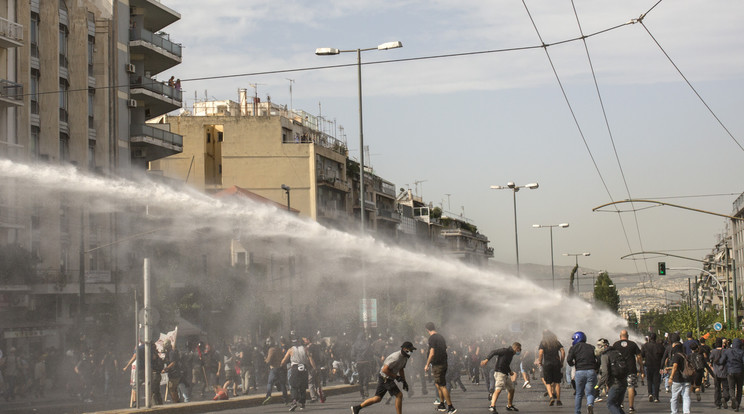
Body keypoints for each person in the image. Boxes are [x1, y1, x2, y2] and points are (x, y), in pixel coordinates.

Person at [351, 341, 416, 414]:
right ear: (405, 349)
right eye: (410, 350)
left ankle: (357, 408)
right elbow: (384, 370)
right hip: (385, 378)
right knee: (399, 395)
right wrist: (396, 377)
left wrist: (404, 381)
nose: (411, 352)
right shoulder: (396, 357)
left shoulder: (404, 358)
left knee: (377, 398)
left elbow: (401, 369)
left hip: (386, 378)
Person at [425, 322, 457, 413]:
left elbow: (432, 352)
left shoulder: (432, 338)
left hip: (437, 364)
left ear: (427, 329)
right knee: (438, 384)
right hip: (443, 363)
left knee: (442, 385)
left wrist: (427, 364)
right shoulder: (441, 337)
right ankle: (441, 404)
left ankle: (450, 407)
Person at [481, 341, 521, 413]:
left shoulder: (511, 354)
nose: (520, 351)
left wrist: (510, 371)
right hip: (499, 373)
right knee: (498, 389)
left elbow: (505, 364)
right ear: (516, 348)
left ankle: (509, 405)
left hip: (505, 374)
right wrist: (486, 360)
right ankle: (492, 406)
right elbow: (493, 352)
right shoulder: (505, 351)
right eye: (520, 349)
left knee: (511, 389)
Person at [281, 336, 316, 411]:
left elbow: (284, 360)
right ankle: (302, 403)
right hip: (304, 368)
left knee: (293, 385)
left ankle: (294, 401)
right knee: (302, 386)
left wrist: (281, 365)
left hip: (295, 368)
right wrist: (314, 368)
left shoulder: (291, 350)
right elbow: (310, 358)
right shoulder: (305, 348)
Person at [567, 331, 597, 414]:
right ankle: (590, 404)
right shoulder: (591, 347)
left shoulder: (574, 348)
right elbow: (598, 358)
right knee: (590, 392)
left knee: (579, 394)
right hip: (591, 370)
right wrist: (596, 367)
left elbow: (569, 359)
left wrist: (573, 365)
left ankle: (577, 411)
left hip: (580, 371)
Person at [612, 329, 642, 413]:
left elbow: (612, 356)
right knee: (631, 387)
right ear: (628, 336)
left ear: (620, 336)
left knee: (620, 386)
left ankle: (620, 404)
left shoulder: (616, 344)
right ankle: (631, 407)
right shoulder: (633, 344)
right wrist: (641, 367)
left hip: (619, 370)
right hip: (631, 369)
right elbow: (639, 356)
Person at [596, 338, 626, 414]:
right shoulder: (617, 353)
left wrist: (597, 386)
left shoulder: (605, 356)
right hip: (623, 382)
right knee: (617, 405)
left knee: (610, 404)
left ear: (605, 346)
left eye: (599, 345)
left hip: (614, 384)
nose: (598, 348)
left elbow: (605, 373)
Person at [537, 330, 565, 406]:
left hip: (547, 363)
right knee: (557, 382)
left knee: (548, 382)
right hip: (556, 363)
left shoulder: (543, 342)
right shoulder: (556, 342)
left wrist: (540, 361)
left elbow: (541, 352)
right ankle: (558, 400)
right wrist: (562, 361)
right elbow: (563, 351)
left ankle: (551, 397)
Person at [262, 337, 288, 405]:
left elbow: (269, 360)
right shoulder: (279, 349)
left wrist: (265, 359)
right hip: (281, 368)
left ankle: (268, 395)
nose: (267, 343)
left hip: (274, 369)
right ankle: (285, 399)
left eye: (268, 341)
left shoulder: (271, 349)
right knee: (283, 384)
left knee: (270, 383)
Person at [667, 339, 691, 414]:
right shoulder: (685, 355)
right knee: (686, 396)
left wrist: (671, 377)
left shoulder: (676, 356)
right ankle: (686, 411)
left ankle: (674, 412)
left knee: (674, 397)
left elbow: (675, 366)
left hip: (677, 379)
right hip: (687, 378)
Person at [640, 332, 664, 403]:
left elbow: (642, 355)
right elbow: (663, 355)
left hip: (648, 364)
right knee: (657, 381)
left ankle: (650, 393)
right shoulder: (660, 346)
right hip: (657, 365)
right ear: (655, 338)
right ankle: (656, 397)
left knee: (649, 380)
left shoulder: (645, 346)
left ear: (649, 338)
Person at [721, 338, 744, 411]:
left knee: (731, 387)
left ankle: (733, 397)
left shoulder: (728, 351)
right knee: (739, 388)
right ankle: (737, 405)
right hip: (740, 371)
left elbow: (722, 361)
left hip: (730, 371)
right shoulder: (742, 352)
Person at [709, 337, 730, 409]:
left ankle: (718, 403)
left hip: (716, 372)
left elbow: (710, 361)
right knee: (725, 387)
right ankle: (725, 398)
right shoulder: (725, 351)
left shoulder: (713, 352)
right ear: (721, 344)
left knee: (717, 388)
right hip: (724, 371)